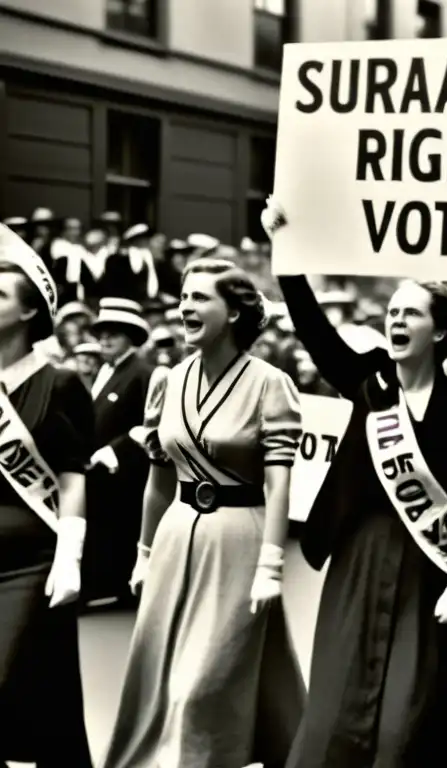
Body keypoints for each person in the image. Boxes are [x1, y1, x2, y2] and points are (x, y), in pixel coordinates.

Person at [262, 200, 447, 768]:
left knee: (406, 714)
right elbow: (314, 330)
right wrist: (286, 254)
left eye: (411, 313)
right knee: (338, 703)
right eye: (392, 312)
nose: (396, 321)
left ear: (440, 331)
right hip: (360, 555)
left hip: (427, 566)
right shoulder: (366, 380)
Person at [102, 258, 306, 768]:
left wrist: (271, 564)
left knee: (202, 685)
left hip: (239, 540)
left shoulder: (269, 383)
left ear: (234, 312)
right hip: (175, 535)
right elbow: (158, 478)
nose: (185, 306)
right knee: (161, 678)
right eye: (184, 296)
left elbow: (281, 485)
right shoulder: (167, 381)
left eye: (200, 298)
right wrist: (144, 552)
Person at [0, 223, 94, 767]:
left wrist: (70, 555)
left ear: (30, 312)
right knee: (36, 688)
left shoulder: (57, 383)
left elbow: (72, 476)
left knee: (7, 675)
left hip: (32, 558)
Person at [81, 298, 156, 607]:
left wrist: (116, 449)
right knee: (101, 530)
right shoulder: (105, 372)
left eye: (114, 333)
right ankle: (105, 586)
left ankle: (125, 589)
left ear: (131, 336)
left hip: (127, 471)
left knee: (123, 529)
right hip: (100, 472)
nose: (105, 339)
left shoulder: (143, 373)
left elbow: (152, 423)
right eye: (101, 333)